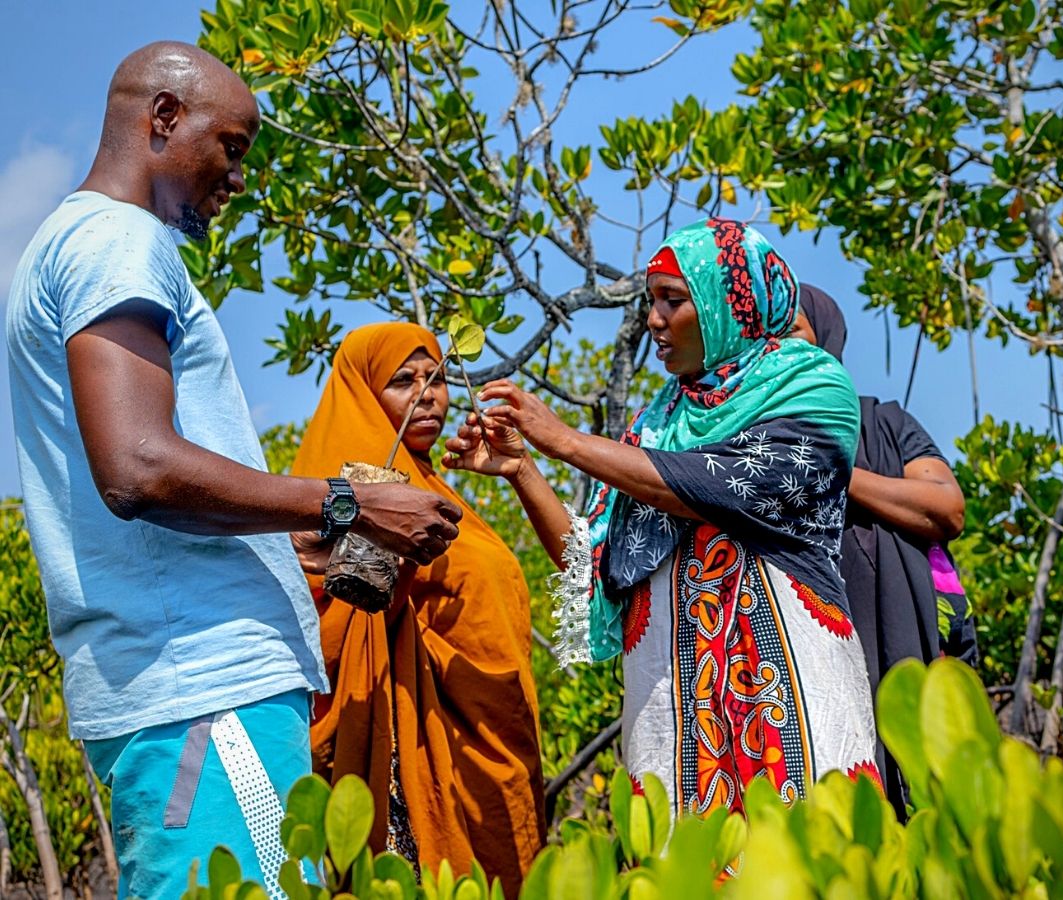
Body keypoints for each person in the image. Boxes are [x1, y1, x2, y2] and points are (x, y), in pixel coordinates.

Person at [5, 42, 461, 899]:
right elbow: (137, 468)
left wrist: (292, 537)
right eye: (233, 146)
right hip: (204, 695)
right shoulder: (116, 242)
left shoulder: (77, 243)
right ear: (164, 119)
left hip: (188, 693)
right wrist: (347, 505)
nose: (239, 177)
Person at [446, 219, 878, 816]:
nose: (653, 319)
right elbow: (595, 561)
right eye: (652, 301)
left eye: (672, 300)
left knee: (806, 857)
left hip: (791, 683)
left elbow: (717, 485)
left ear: (730, 304)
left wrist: (567, 441)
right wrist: (522, 469)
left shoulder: (812, 390)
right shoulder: (657, 425)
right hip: (670, 707)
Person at [288, 323, 545, 895]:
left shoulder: (435, 490)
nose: (427, 396)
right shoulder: (345, 493)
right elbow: (323, 624)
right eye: (403, 381)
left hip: (489, 746)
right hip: (408, 749)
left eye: (438, 379)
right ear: (362, 393)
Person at [792, 284, 970, 818]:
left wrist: (831, 471)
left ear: (826, 338)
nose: (778, 344)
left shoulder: (884, 423)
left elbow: (945, 507)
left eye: (793, 328)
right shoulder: (740, 436)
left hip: (887, 643)